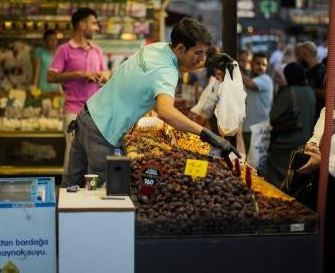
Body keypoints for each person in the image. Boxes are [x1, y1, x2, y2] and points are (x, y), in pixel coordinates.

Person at [61, 17, 240, 188]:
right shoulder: (167, 72)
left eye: (204, 54)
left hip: (86, 116)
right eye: (198, 53)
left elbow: (178, 66)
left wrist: (208, 62)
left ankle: (60, 220)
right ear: (180, 48)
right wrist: (206, 133)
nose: (201, 58)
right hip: (102, 133)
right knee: (98, 193)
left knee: (71, 185)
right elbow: (165, 111)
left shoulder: (157, 48)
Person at [47, 7, 110, 174]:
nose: (97, 28)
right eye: (94, 23)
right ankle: (69, 193)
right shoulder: (64, 50)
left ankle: (90, 194)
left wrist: (102, 75)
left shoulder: (97, 50)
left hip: (96, 112)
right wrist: (79, 74)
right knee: (73, 155)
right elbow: (51, 77)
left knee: (95, 155)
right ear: (82, 25)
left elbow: (107, 72)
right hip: (73, 111)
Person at [264, 62, 316, 188]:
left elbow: (273, 116)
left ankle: (276, 196)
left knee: (277, 172)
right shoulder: (310, 91)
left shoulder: (289, 92)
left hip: (288, 141)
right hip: (306, 140)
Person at [296, 107, 335, 273]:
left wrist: (324, 163)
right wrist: (310, 147)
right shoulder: (329, 109)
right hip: (319, 184)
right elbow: (315, 137)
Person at [242, 52, 274, 153]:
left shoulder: (266, 79)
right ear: (251, 64)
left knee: (256, 165)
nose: (260, 67)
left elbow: (249, 83)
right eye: (258, 63)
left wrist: (234, 70)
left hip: (259, 130)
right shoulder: (253, 79)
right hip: (247, 129)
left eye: (263, 64)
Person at [296, 41, 326, 120]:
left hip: (319, 119)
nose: (298, 59)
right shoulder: (305, 72)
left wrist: (307, 90)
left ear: (305, 53)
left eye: (299, 55)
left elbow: (327, 93)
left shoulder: (322, 71)